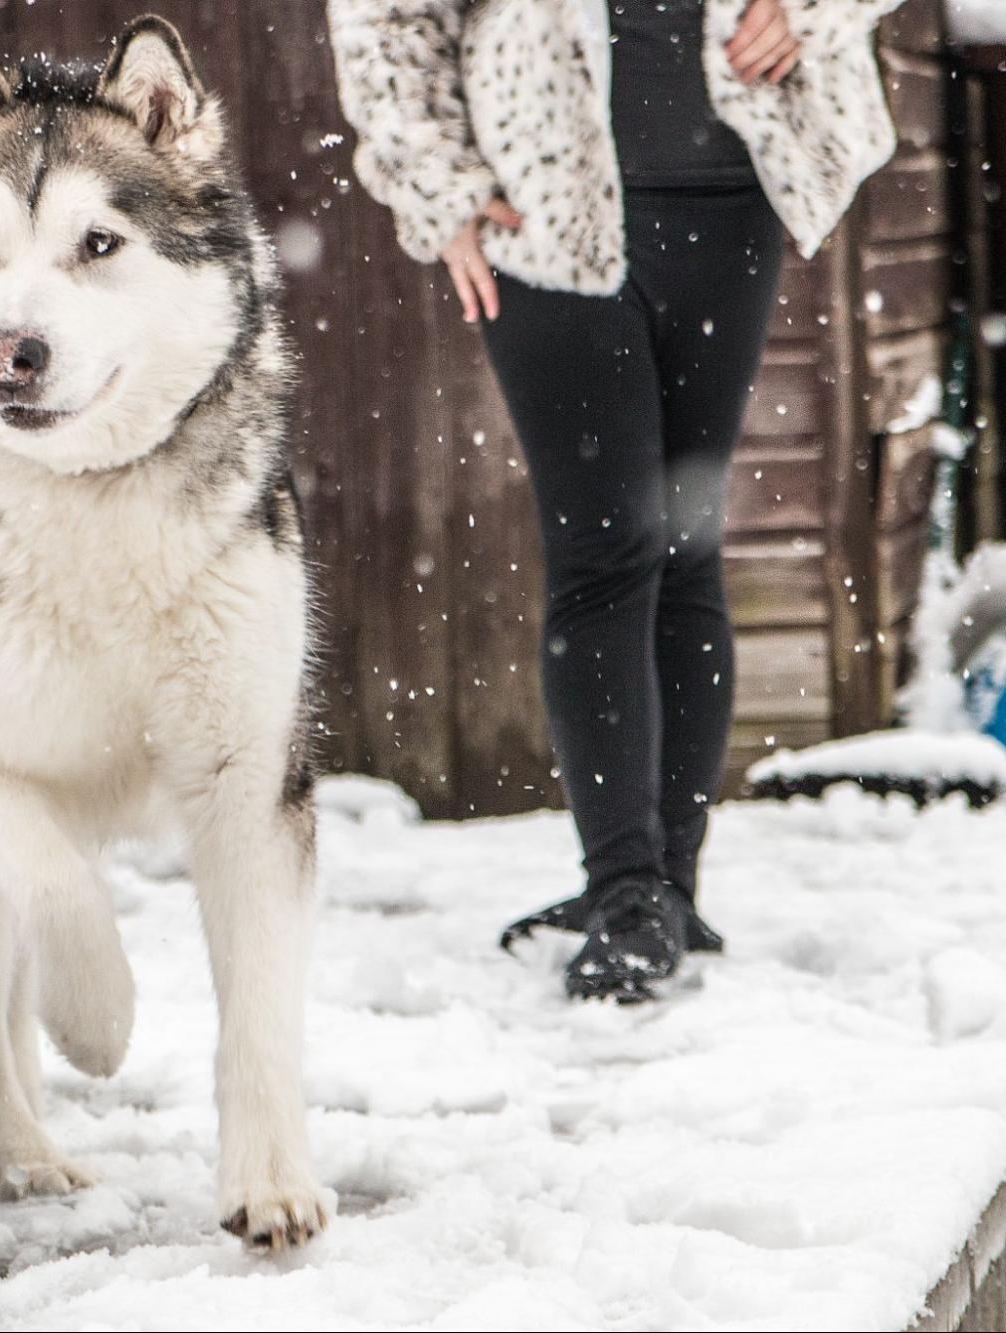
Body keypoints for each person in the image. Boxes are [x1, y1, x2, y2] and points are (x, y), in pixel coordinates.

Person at [329, 0, 905, 1000]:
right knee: (607, 546)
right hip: (543, 213)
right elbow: (384, 18)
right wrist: (439, 186)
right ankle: (625, 886)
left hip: (732, 193)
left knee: (685, 545)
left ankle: (663, 888)